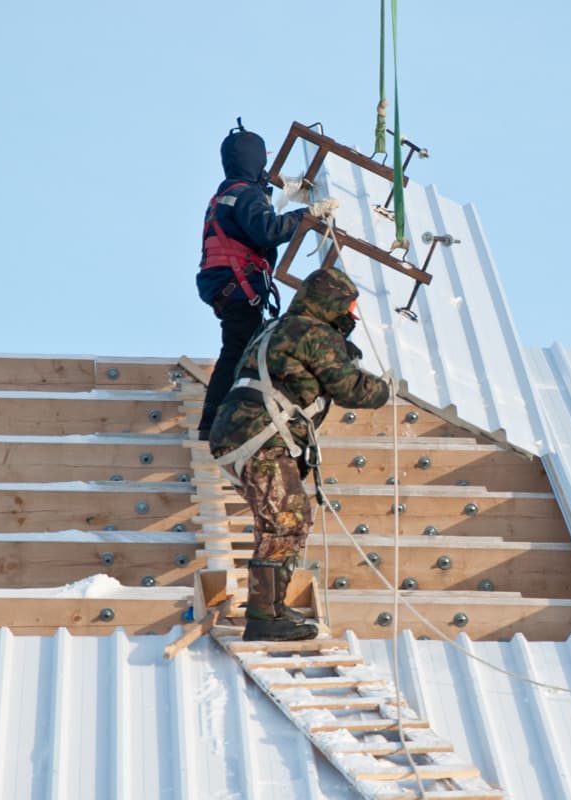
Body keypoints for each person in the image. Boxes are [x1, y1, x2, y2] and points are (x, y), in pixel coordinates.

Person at [209, 267, 390, 641]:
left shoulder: (276, 327)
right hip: (262, 436)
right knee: (287, 520)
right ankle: (265, 617)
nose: (352, 317)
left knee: (279, 520)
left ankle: (270, 610)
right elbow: (353, 390)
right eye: (348, 308)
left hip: (239, 433)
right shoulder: (313, 332)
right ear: (331, 304)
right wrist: (387, 388)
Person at [195, 120, 338, 440]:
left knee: (242, 349)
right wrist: (308, 215)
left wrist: (283, 191)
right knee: (240, 352)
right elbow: (267, 231)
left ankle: (223, 419)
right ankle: (217, 424)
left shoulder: (226, 194)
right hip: (237, 286)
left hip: (224, 285)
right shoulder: (247, 195)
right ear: (256, 160)